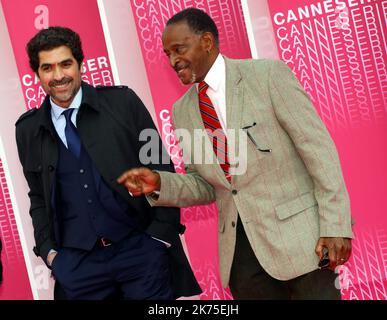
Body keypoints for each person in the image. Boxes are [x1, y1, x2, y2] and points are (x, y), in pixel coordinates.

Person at [117, 8, 354, 299]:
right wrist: (160, 184)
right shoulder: (182, 111)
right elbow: (205, 185)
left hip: (304, 244)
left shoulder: (268, 76)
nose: (173, 60)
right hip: (242, 259)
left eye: (179, 49)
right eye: (168, 54)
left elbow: (319, 152)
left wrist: (336, 225)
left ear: (206, 41)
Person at [15, 26, 201, 300]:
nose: (58, 76)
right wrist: (50, 253)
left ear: (81, 64)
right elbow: (38, 197)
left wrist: (159, 236)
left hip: (140, 252)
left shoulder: (123, 102)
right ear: (37, 74)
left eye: (66, 64)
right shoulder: (27, 129)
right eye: (47, 68)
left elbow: (161, 168)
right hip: (79, 269)